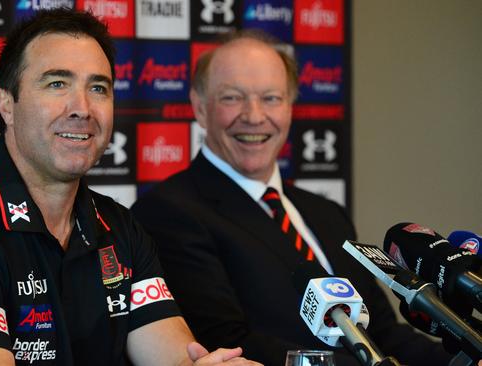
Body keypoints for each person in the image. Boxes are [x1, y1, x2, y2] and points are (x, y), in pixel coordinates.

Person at [0, 9, 261, 366]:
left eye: (99, 88)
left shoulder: (120, 228)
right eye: (57, 83)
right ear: (6, 104)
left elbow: (175, 356)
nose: (82, 108)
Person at [131, 30, 454, 366]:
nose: (254, 116)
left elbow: (382, 332)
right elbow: (227, 343)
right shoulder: (169, 212)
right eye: (232, 98)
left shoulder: (328, 215)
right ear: (200, 107)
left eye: (271, 98)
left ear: (290, 106)